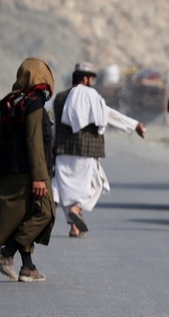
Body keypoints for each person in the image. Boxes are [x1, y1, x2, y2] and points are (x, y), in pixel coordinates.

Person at [0, 57, 57, 282]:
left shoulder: (10, 102)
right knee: (45, 212)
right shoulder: (34, 103)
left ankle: (28, 268)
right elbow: (34, 142)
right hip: (31, 172)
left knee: (25, 214)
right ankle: (6, 253)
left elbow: (0, 139)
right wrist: (39, 177)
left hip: (10, 170)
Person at [52, 62, 146, 238]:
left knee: (67, 189)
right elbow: (108, 115)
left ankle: (75, 226)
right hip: (86, 151)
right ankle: (76, 211)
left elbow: (53, 125)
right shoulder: (91, 95)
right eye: (92, 79)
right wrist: (134, 125)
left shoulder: (59, 98)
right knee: (92, 186)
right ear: (86, 78)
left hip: (62, 151)